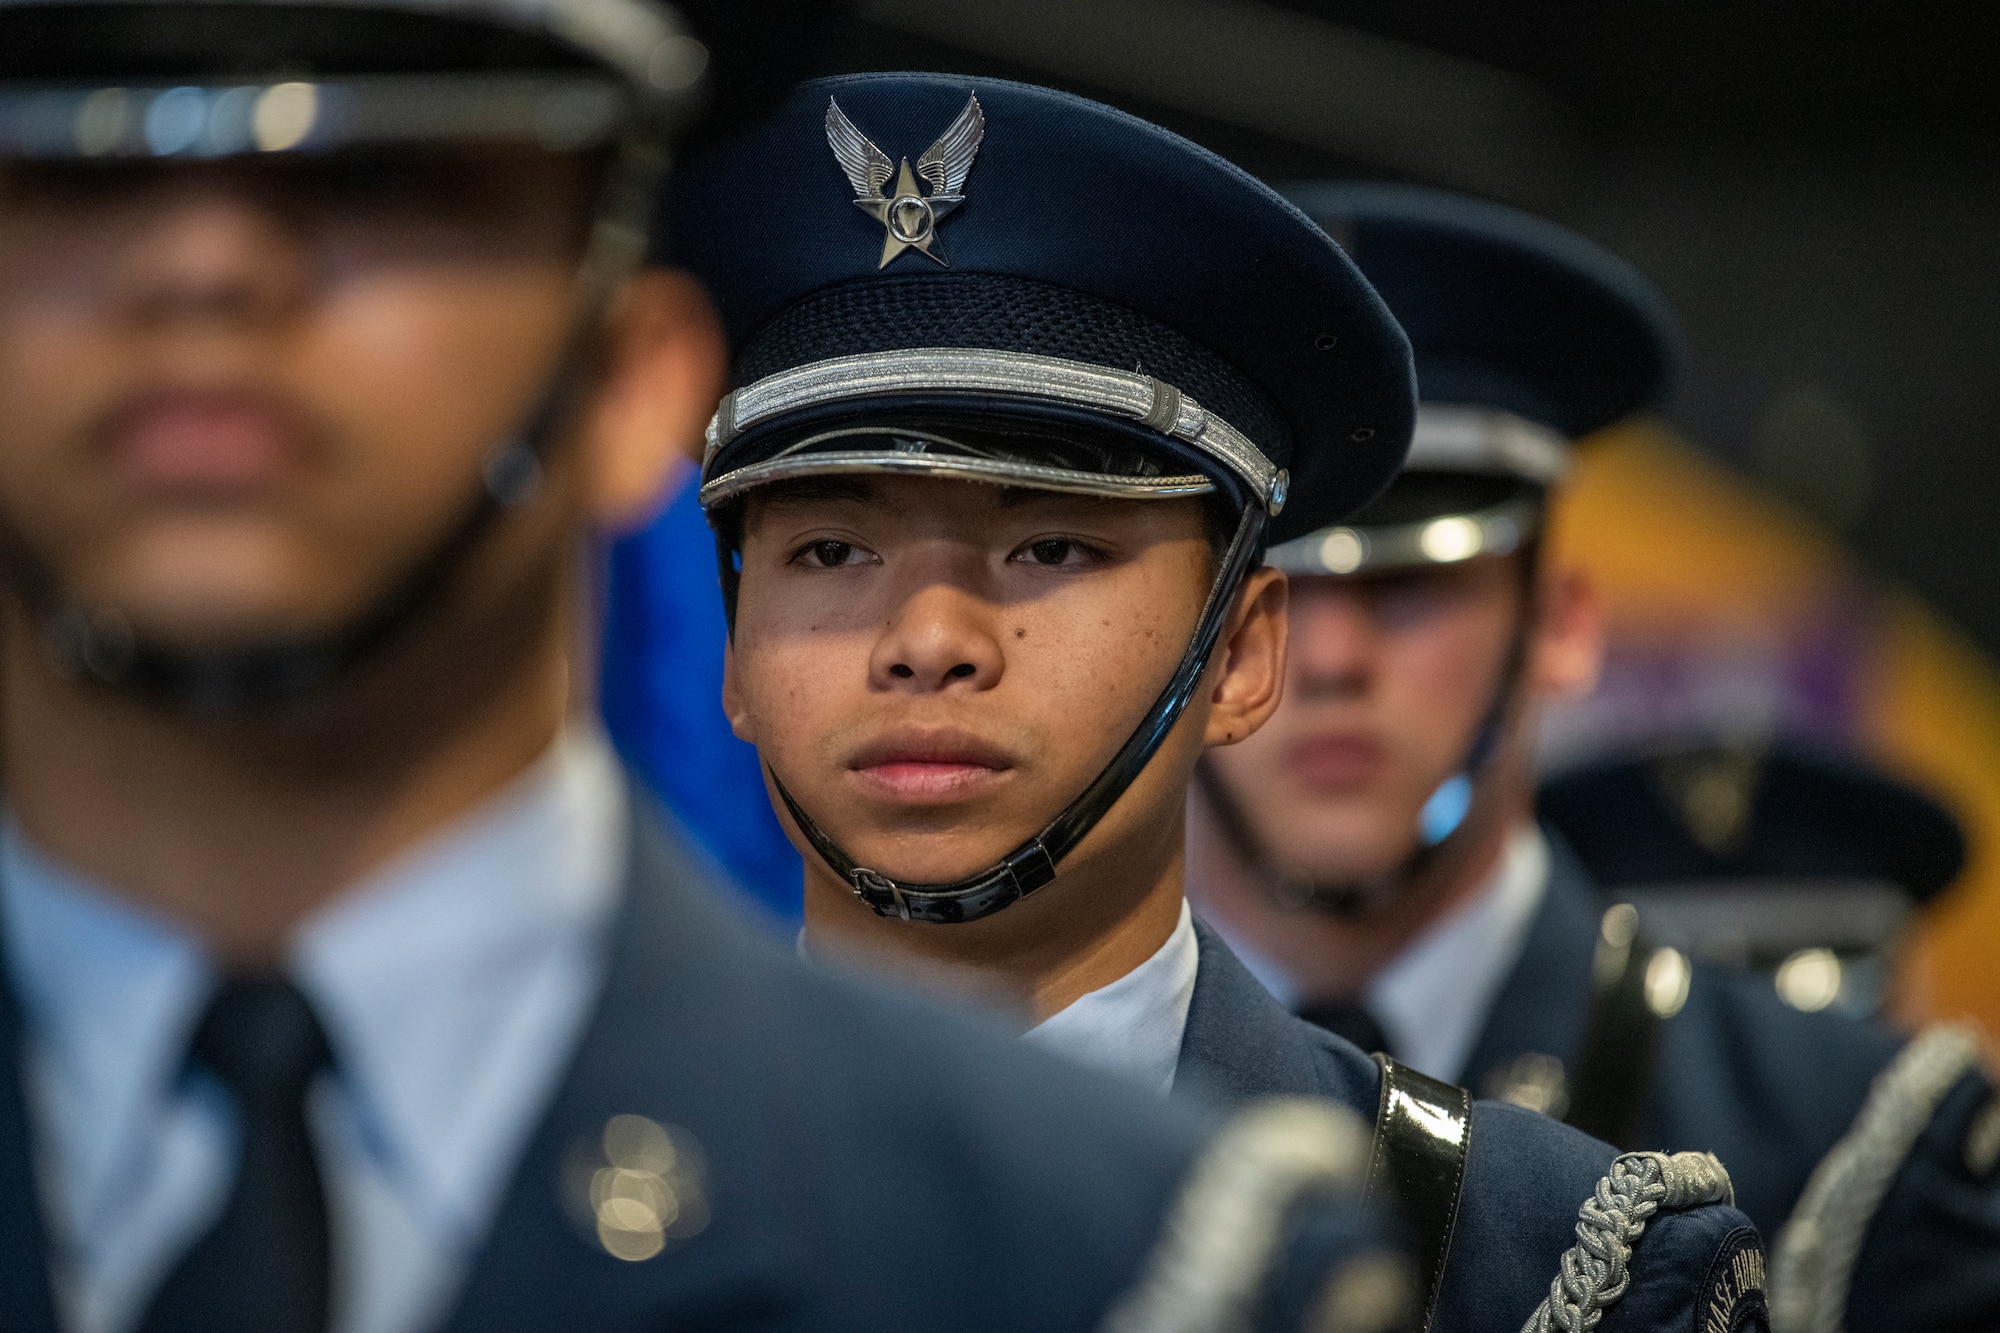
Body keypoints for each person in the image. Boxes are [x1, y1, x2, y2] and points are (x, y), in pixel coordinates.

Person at [0, 5, 1414, 1331]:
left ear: (628, 383)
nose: (202, 267)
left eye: (382, 174)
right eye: (60, 166)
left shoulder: (1131, 1258)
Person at [673, 72, 1769, 1333]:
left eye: (1049, 549)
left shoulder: (1533, 1260)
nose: (927, 641)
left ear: (1244, 655)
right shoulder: (516, 1170)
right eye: (829, 553)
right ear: (732, 656)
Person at [1186, 181, 2000, 1332]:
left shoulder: (1834, 1134)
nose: (1324, 656)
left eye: (1410, 583)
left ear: (1560, 622)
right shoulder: (1032, 1093)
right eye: (1267, 582)